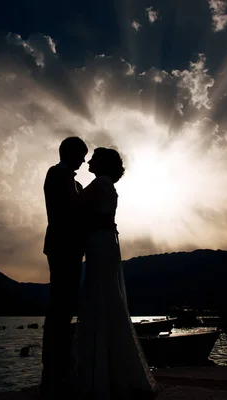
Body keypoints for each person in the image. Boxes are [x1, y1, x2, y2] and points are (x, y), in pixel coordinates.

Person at [73, 147, 156, 399]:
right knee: (107, 297)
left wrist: (73, 185)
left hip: (100, 243)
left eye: (94, 158)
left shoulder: (99, 183)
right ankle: (114, 369)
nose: (89, 160)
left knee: (98, 296)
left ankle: (99, 375)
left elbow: (75, 206)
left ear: (103, 164)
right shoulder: (107, 184)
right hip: (105, 242)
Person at [41, 136, 88, 399]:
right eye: (81, 155)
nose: (83, 160)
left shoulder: (78, 182)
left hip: (74, 251)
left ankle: (63, 368)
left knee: (67, 306)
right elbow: (67, 210)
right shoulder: (56, 174)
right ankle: (51, 371)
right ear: (68, 153)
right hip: (60, 248)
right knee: (59, 306)